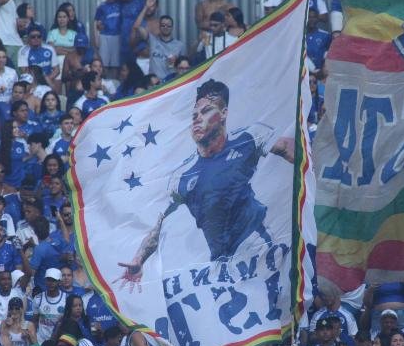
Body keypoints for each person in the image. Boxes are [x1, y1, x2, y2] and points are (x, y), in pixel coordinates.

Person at [118, 79, 295, 284]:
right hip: (222, 265)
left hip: (258, 249)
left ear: (224, 113)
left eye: (206, 111)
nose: (197, 118)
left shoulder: (249, 138)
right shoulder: (181, 176)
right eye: (194, 114)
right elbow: (158, 226)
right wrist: (139, 259)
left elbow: (292, 151)